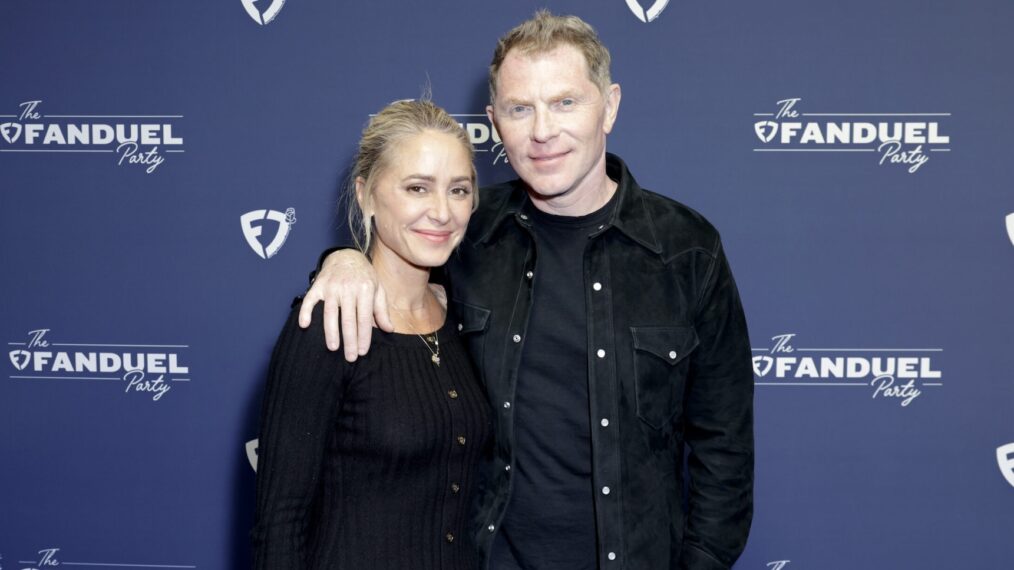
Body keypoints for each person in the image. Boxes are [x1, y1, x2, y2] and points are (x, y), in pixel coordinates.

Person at [302, 11, 753, 570]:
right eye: (520, 109)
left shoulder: (687, 250)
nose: (542, 131)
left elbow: (724, 452)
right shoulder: (465, 229)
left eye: (565, 102)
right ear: (494, 121)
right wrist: (344, 258)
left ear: (609, 106)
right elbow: (391, 255)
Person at [251, 99, 491, 569]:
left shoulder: (466, 316)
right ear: (365, 195)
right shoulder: (327, 324)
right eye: (417, 188)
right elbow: (279, 524)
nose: (442, 212)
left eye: (459, 190)